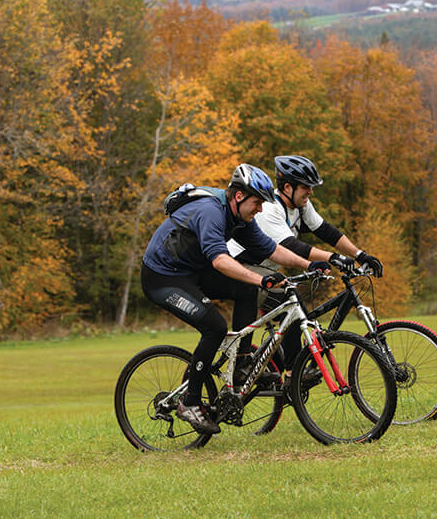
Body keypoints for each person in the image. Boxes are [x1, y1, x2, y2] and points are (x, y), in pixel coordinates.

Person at [142, 164, 331, 434]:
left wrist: (308, 264)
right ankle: (190, 402)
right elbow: (220, 261)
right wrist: (260, 278)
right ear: (239, 196)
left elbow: (272, 249)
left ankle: (242, 361)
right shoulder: (211, 213)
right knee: (215, 327)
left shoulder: (240, 219)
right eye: (257, 203)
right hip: (163, 279)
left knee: (247, 290)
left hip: (192, 272)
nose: (261, 209)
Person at [228, 155, 383, 375]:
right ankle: (293, 373)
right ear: (288, 187)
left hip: (264, 270)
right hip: (241, 267)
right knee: (291, 301)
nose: (310, 192)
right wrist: (334, 258)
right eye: (306, 187)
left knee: (293, 308)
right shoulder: (270, 209)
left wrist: (360, 254)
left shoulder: (301, 206)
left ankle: (286, 366)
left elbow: (326, 231)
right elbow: (291, 246)